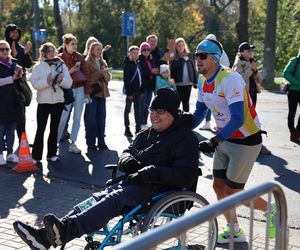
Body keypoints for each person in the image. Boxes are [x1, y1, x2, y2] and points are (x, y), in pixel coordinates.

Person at [13, 88, 199, 249]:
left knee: (114, 199)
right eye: (152, 110)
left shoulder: (185, 138)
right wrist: (128, 161)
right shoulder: (147, 132)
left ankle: (64, 231)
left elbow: (186, 176)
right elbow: (128, 150)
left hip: (162, 191)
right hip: (138, 183)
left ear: (173, 114)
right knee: (98, 197)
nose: (154, 115)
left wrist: (151, 171)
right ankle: (47, 236)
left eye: (161, 111)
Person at [193, 38, 276, 243]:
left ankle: (272, 210)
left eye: (202, 56)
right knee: (218, 186)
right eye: (196, 56)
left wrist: (215, 140)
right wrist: (178, 127)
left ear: (214, 58)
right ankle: (234, 230)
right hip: (224, 138)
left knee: (234, 190)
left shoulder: (230, 78)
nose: (198, 60)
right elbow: (199, 112)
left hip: (246, 139)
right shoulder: (203, 80)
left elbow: (238, 118)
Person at [31, 43, 72, 163]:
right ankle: (36, 156)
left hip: (58, 102)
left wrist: (61, 80)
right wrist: (47, 80)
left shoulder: (61, 65)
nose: (52, 53)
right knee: (41, 129)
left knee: (54, 129)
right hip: (43, 102)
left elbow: (69, 83)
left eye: (53, 51)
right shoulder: (38, 67)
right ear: (43, 53)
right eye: (49, 51)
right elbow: (35, 85)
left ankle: (52, 154)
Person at [232, 42, 270, 155]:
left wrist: (255, 70)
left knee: (252, 115)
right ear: (242, 52)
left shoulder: (251, 62)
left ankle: (251, 138)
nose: (251, 52)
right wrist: (250, 69)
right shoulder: (238, 63)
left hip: (253, 92)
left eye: (251, 50)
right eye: (248, 50)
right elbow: (239, 78)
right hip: (244, 93)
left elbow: (259, 80)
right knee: (246, 116)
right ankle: (245, 138)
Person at [57, 34, 88, 154]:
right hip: (66, 89)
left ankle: (73, 143)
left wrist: (87, 92)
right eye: (72, 44)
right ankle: (55, 143)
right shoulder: (59, 58)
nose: (75, 46)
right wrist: (70, 71)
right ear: (65, 45)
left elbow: (86, 75)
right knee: (62, 118)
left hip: (79, 88)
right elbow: (57, 76)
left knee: (77, 118)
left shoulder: (80, 57)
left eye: (76, 44)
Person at [5, 24, 32, 141]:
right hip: (5, 85)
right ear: (8, 33)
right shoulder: (3, 46)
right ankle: (3, 141)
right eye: (12, 32)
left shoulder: (21, 48)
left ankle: (22, 140)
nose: (15, 34)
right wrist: (12, 55)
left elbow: (28, 64)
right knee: (5, 114)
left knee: (21, 114)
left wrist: (25, 53)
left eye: (16, 32)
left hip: (20, 85)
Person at [82, 42, 111, 150]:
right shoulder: (87, 62)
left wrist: (104, 73)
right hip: (92, 94)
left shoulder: (103, 62)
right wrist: (99, 73)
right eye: (97, 49)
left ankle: (101, 141)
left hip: (102, 94)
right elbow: (87, 80)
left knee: (101, 119)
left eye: (100, 49)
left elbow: (108, 78)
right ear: (91, 50)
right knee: (91, 120)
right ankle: (90, 142)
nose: (100, 51)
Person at [200, 34, 230, 131]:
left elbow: (225, 66)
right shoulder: (205, 52)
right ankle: (209, 122)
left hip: (219, 81)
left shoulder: (220, 52)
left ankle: (222, 125)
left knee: (218, 103)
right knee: (209, 102)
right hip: (211, 80)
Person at [0, 40, 23, 165]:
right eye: (1, 49)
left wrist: (20, 74)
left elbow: (18, 79)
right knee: (0, 129)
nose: (4, 51)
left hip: (13, 101)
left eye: (6, 49)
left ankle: (10, 153)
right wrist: (11, 79)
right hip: (1, 102)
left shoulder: (14, 63)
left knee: (11, 129)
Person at [170, 37, 197, 112]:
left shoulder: (190, 55)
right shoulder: (174, 56)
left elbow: (194, 68)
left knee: (186, 102)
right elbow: (173, 67)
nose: (181, 47)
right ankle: (177, 119)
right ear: (176, 46)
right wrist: (182, 59)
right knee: (177, 102)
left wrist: (195, 81)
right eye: (179, 45)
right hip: (177, 83)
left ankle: (186, 119)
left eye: (182, 45)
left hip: (188, 83)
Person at [123, 45, 144, 137]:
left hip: (138, 91)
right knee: (127, 110)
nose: (136, 55)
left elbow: (141, 78)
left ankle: (138, 127)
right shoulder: (127, 65)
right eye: (133, 53)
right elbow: (126, 80)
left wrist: (142, 90)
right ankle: (127, 128)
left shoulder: (138, 64)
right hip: (131, 92)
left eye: (137, 53)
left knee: (137, 110)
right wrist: (129, 93)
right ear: (129, 54)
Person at [138, 42, 158, 125]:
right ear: (141, 51)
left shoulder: (151, 60)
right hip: (143, 86)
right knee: (142, 106)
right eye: (144, 49)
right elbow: (141, 73)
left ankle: (144, 123)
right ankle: (140, 123)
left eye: (148, 49)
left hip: (150, 86)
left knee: (147, 106)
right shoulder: (139, 60)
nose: (146, 51)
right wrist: (151, 71)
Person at [283, 52, 300, 144]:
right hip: (293, 91)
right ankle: (293, 133)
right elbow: (285, 73)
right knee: (292, 112)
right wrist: (296, 82)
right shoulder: (294, 60)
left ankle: (298, 130)